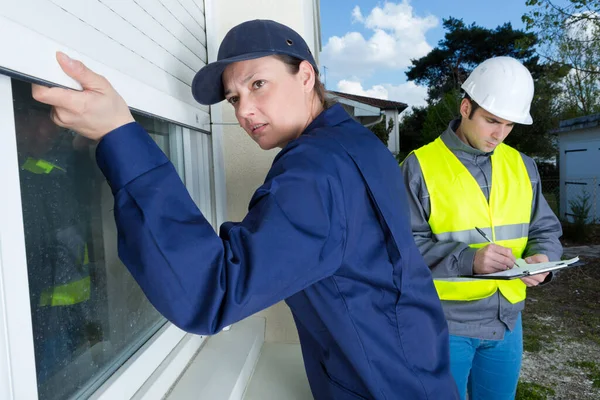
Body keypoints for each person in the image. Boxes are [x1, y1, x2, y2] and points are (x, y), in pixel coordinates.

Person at [32, 19, 459, 399]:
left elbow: (212, 289)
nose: (245, 111)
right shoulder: (356, 145)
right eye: (234, 98)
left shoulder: (317, 170)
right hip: (416, 366)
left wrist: (119, 135)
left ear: (306, 75)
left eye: (258, 84)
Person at [400, 56, 563, 400]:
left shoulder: (523, 165)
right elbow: (401, 246)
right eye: (491, 120)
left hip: (507, 325)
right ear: (465, 107)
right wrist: (468, 260)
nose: (499, 134)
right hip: (444, 327)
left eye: (508, 125)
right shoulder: (419, 167)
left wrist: (543, 258)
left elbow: (545, 228)